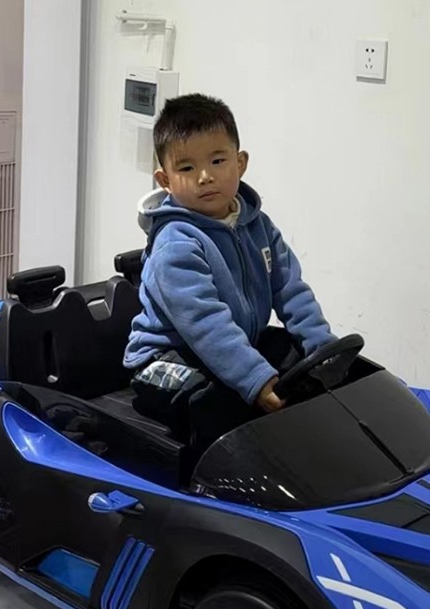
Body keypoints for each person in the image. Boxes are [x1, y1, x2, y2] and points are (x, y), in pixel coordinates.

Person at [123, 93, 336, 452]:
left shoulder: (257, 225)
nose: (205, 177)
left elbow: (291, 289)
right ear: (165, 179)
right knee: (219, 399)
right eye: (187, 168)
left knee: (298, 361)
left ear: (240, 163)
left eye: (218, 161)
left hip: (234, 345)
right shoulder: (175, 244)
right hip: (165, 361)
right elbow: (207, 324)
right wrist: (255, 379)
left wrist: (322, 348)